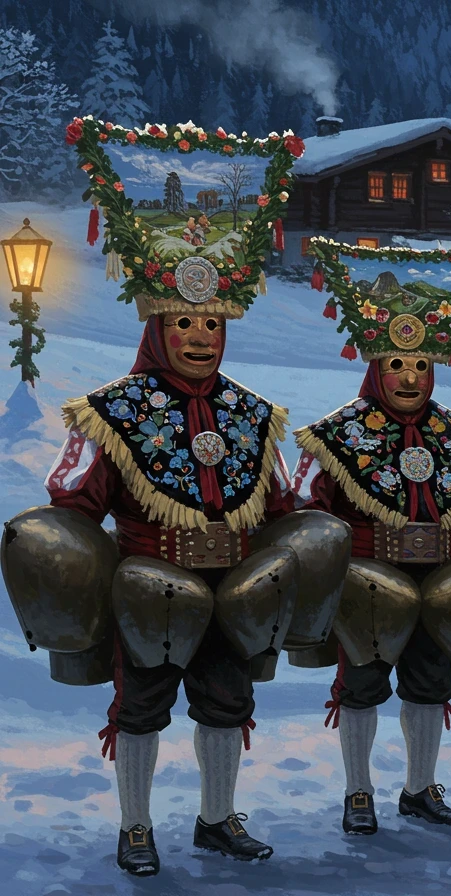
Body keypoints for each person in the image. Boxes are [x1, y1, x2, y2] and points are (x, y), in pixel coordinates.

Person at [31, 117, 321, 877]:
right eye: (184, 321)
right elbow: (72, 511)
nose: (201, 336)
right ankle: (135, 827)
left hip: (234, 590)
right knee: (141, 707)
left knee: (226, 703)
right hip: (149, 589)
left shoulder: (255, 416)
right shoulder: (110, 411)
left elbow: (283, 508)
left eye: (213, 323)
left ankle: (217, 819)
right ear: (157, 325)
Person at [294, 243, 451, 833]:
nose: (410, 377)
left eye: (419, 366)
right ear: (375, 367)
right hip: (368, 586)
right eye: (396, 365)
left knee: (430, 682)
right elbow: (307, 514)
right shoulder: (335, 436)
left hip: (443, 585)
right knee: (362, 684)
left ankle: (419, 789)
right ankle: (358, 792)